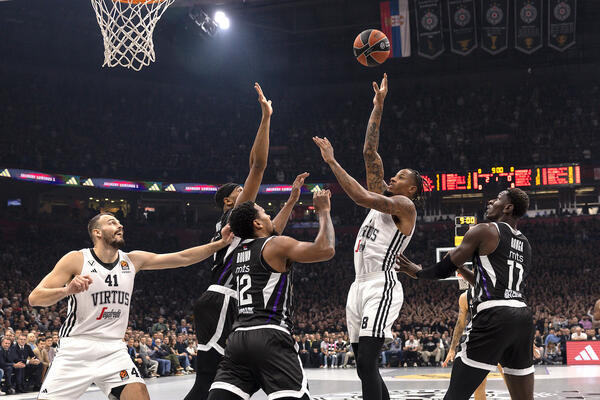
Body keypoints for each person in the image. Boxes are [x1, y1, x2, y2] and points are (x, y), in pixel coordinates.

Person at [28, 212, 234, 400]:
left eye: (119, 222)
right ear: (97, 232)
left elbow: (182, 258)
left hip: (114, 350)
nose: (120, 225)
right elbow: (35, 298)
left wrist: (219, 244)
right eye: (112, 222)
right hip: (77, 348)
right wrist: (67, 290)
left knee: (139, 395)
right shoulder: (77, 259)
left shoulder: (132, 260)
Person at [186, 84, 307, 400]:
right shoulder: (235, 217)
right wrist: (266, 118)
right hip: (225, 299)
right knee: (208, 381)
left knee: (216, 381)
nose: (247, 193)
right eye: (240, 191)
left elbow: (270, 233)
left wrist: (291, 201)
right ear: (229, 201)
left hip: (218, 301)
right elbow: (258, 165)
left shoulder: (240, 230)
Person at [313, 74, 425, 400]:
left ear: (412, 189)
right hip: (358, 284)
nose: (392, 176)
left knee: (366, 361)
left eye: (400, 176)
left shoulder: (403, 206)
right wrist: (378, 107)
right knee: (364, 367)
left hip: (381, 283)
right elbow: (369, 152)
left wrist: (332, 161)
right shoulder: (385, 200)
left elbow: (362, 197)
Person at [396, 188, 534, 400]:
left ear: (508, 207)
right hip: (522, 318)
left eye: (497, 198)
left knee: (456, 395)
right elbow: (489, 281)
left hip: (493, 315)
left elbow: (444, 269)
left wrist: (418, 272)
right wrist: (462, 269)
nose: (491, 200)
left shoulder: (485, 230)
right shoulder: (524, 243)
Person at [208, 189, 335, 400]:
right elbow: (326, 249)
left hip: (238, 339)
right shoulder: (276, 245)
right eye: (265, 213)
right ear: (257, 224)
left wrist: (292, 201)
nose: (269, 216)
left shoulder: (238, 250)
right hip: (270, 335)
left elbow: (271, 231)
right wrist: (324, 211)